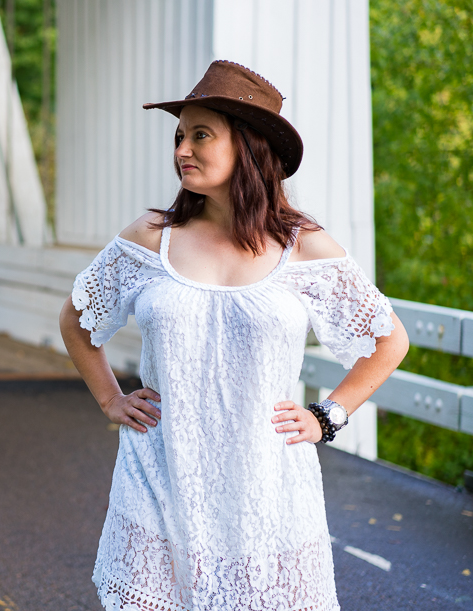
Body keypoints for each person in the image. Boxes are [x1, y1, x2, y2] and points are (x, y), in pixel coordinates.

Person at [58, 60, 410, 611]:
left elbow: (389, 339)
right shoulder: (151, 239)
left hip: (266, 488)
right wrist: (110, 398)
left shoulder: (304, 246)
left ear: (248, 146)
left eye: (201, 135)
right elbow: (77, 320)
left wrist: (328, 416)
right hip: (159, 474)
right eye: (179, 136)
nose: (182, 149)